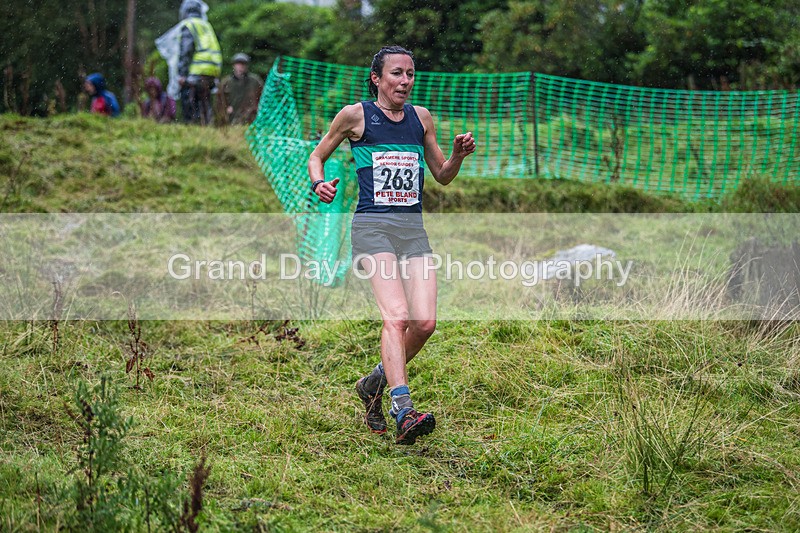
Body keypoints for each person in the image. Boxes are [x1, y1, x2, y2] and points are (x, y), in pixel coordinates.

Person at [307, 45, 476, 445]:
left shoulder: (421, 119)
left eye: (410, 74)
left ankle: (373, 384)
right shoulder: (355, 116)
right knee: (396, 317)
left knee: (424, 323)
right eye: (396, 74)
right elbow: (317, 155)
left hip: (412, 231)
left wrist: (456, 155)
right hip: (372, 229)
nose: (404, 81)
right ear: (377, 79)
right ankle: (402, 407)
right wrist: (319, 183)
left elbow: (442, 175)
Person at [177, 0, 222, 125]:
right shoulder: (206, 25)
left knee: (190, 101)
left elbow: (186, 51)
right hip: (212, 71)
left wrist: (182, 74)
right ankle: (207, 127)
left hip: (197, 71)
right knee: (205, 103)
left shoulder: (189, 24)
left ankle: (192, 128)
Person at [219, 53, 263, 125]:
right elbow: (220, 100)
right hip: (231, 119)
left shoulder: (255, 81)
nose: (240, 66)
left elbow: (263, 97)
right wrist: (225, 108)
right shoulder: (226, 82)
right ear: (234, 65)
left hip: (251, 119)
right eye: (238, 64)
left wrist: (256, 108)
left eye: (243, 64)